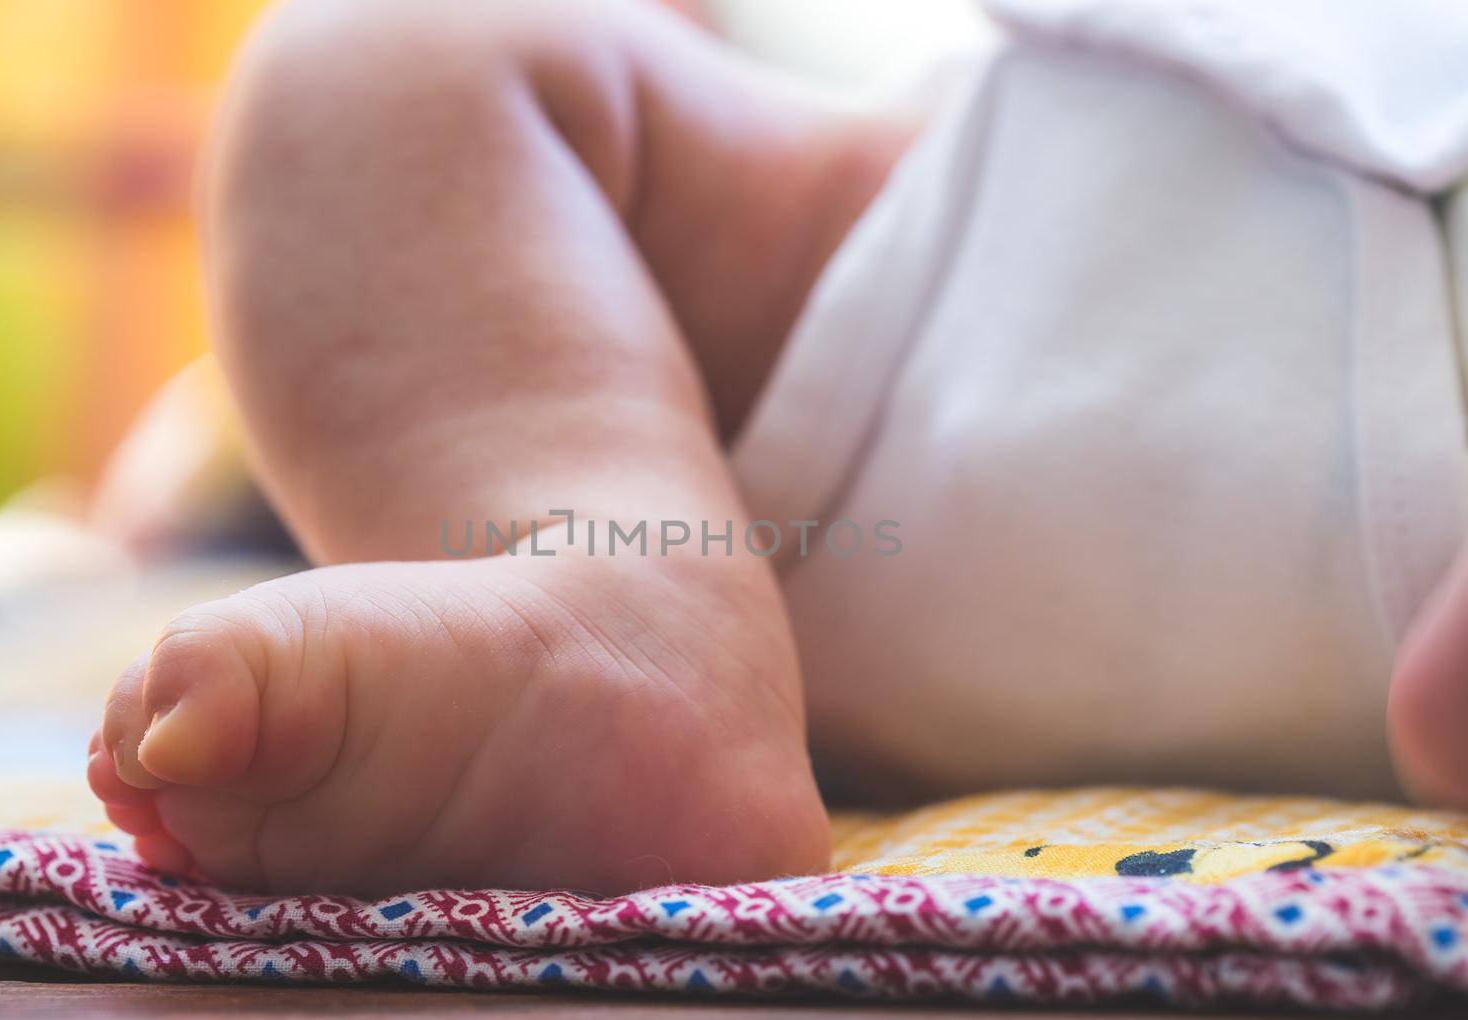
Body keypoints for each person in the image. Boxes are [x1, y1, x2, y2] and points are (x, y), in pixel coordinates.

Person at [87, 0, 1468, 896]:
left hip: (1142, 243)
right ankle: (608, 603)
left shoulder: (834, 209)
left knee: (373, 46)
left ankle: (609, 594)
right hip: (1070, 326)